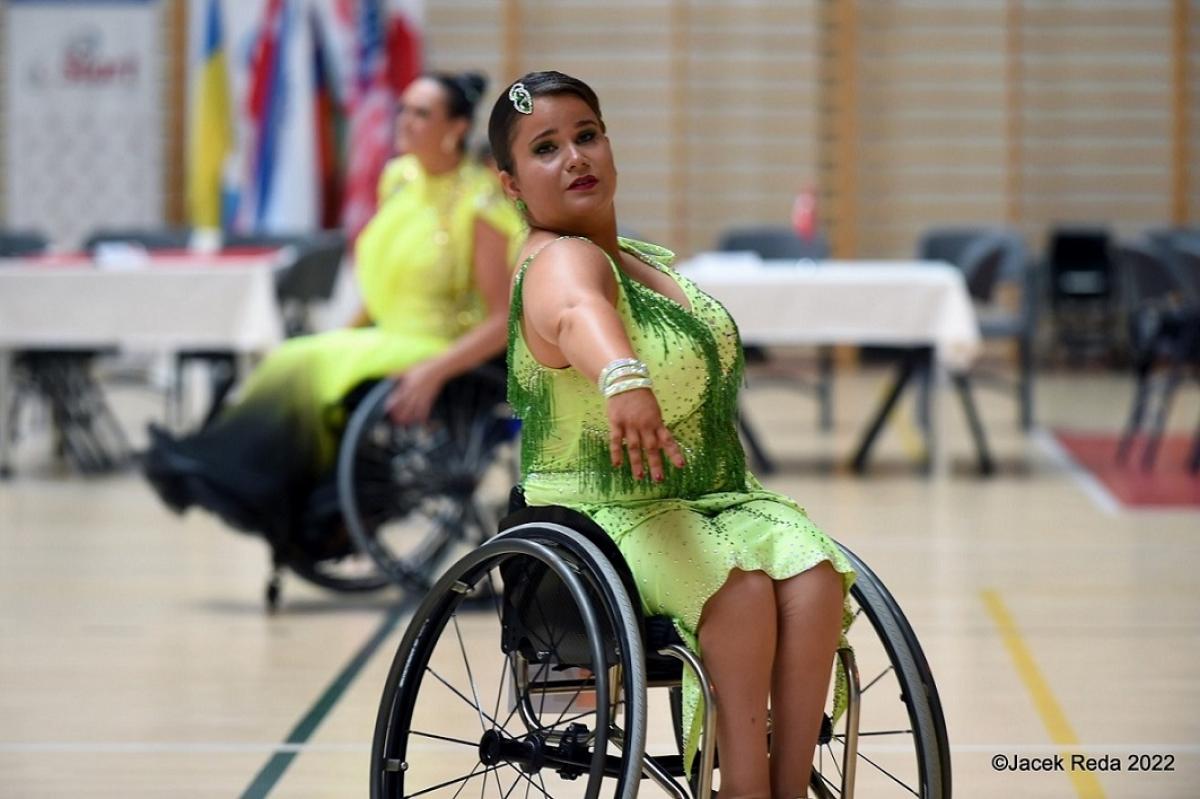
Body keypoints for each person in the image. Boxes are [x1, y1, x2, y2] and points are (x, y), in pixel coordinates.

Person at [489, 71, 855, 799]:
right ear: (512, 183)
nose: (575, 157)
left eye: (586, 135)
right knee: (741, 592)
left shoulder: (644, 262)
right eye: (547, 147)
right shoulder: (553, 258)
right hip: (597, 513)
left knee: (815, 575)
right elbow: (574, 314)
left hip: (710, 496)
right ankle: (741, 787)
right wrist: (621, 377)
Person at [144, 71, 525, 541]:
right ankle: (228, 472)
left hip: (438, 344)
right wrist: (345, 333)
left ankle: (250, 485)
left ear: (456, 129)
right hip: (387, 334)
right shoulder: (400, 179)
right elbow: (384, 284)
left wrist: (435, 370)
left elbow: (500, 321)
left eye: (421, 113)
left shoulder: (480, 202)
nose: (403, 121)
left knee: (305, 362)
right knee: (296, 354)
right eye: (403, 109)